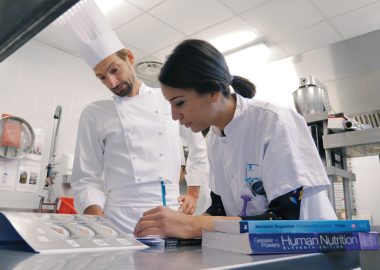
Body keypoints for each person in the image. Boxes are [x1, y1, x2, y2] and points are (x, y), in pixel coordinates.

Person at [134, 39, 337, 239]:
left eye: (179, 103)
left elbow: (286, 218)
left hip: (314, 250)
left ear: (213, 91)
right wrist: (181, 226)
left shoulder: (275, 123)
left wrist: (194, 225)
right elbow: (220, 208)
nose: (174, 116)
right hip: (258, 251)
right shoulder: (213, 139)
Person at [64, 1, 209, 233]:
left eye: (114, 69)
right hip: (117, 219)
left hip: (169, 213)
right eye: (102, 77)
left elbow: (197, 141)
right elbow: (85, 177)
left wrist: (193, 190)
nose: (111, 82)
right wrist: (96, 222)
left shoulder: (167, 100)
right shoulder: (94, 114)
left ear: (129, 58)